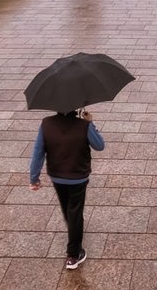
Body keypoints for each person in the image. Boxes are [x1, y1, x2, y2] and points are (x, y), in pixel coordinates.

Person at [29, 110, 105, 268]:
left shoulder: (46, 124)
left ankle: (73, 234)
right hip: (79, 176)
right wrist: (90, 122)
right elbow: (99, 145)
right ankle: (73, 255)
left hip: (57, 176)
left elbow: (38, 153)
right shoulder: (84, 125)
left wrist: (34, 178)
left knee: (67, 209)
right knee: (75, 212)